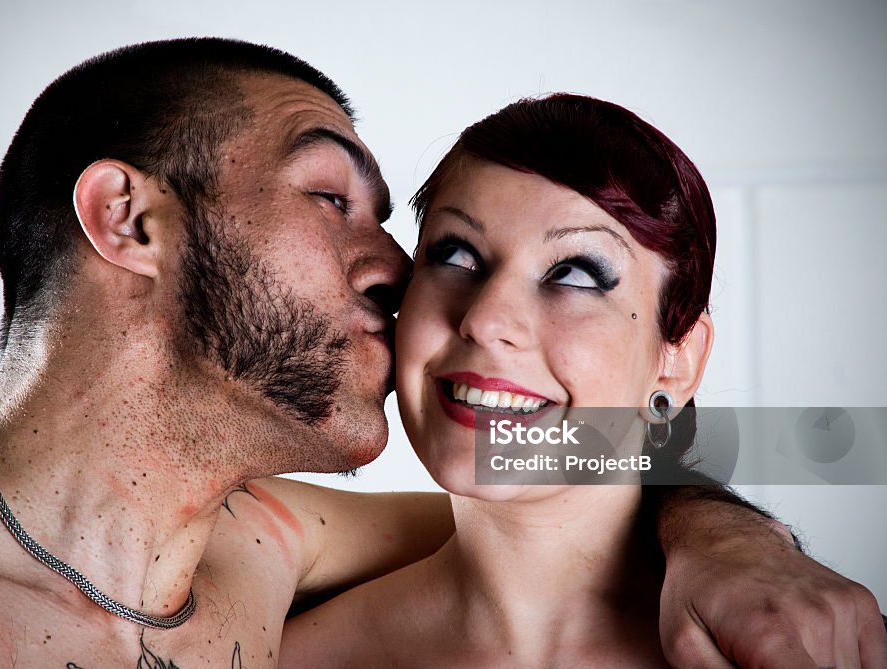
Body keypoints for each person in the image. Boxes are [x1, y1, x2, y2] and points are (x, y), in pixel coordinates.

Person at [0, 39, 880, 667]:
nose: (405, 274)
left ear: (680, 355)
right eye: (328, 197)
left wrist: (733, 541)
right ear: (127, 220)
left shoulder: (259, 549)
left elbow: (591, 482)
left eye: (575, 272)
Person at [279, 94, 887, 668]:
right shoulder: (273, 652)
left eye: (573, 274)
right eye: (457, 256)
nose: (486, 320)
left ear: (676, 362)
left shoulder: (819, 649)